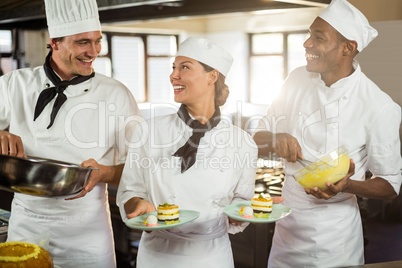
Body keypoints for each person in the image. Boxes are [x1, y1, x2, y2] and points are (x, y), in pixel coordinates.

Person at [253, 0, 402, 267]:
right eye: (309, 34)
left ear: (348, 48)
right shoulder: (296, 79)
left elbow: (390, 185)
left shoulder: (379, 106)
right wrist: (276, 140)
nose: (306, 43)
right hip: (286, 228)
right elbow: (257, 135)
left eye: (318, 38)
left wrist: (348, 186)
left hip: (334, 239)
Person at [0, 0, 141, 267]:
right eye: (82, 42)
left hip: (88, 235)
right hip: (26, 226)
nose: (94, 52)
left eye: (98, 41)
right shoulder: (13, 85)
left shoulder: (116, 94)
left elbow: (142, 165)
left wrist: (107, 173)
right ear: (54, 42)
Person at [116, 37, 258, 267]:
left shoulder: (242, 143)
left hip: (211, 257)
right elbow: (130, 190)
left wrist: (253, 209)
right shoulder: (148, 130)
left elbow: (241, 202)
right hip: (157, 255)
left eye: (185, 67)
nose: (174, 75)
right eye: (174, 67)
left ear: (212, 77)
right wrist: (136, 204)